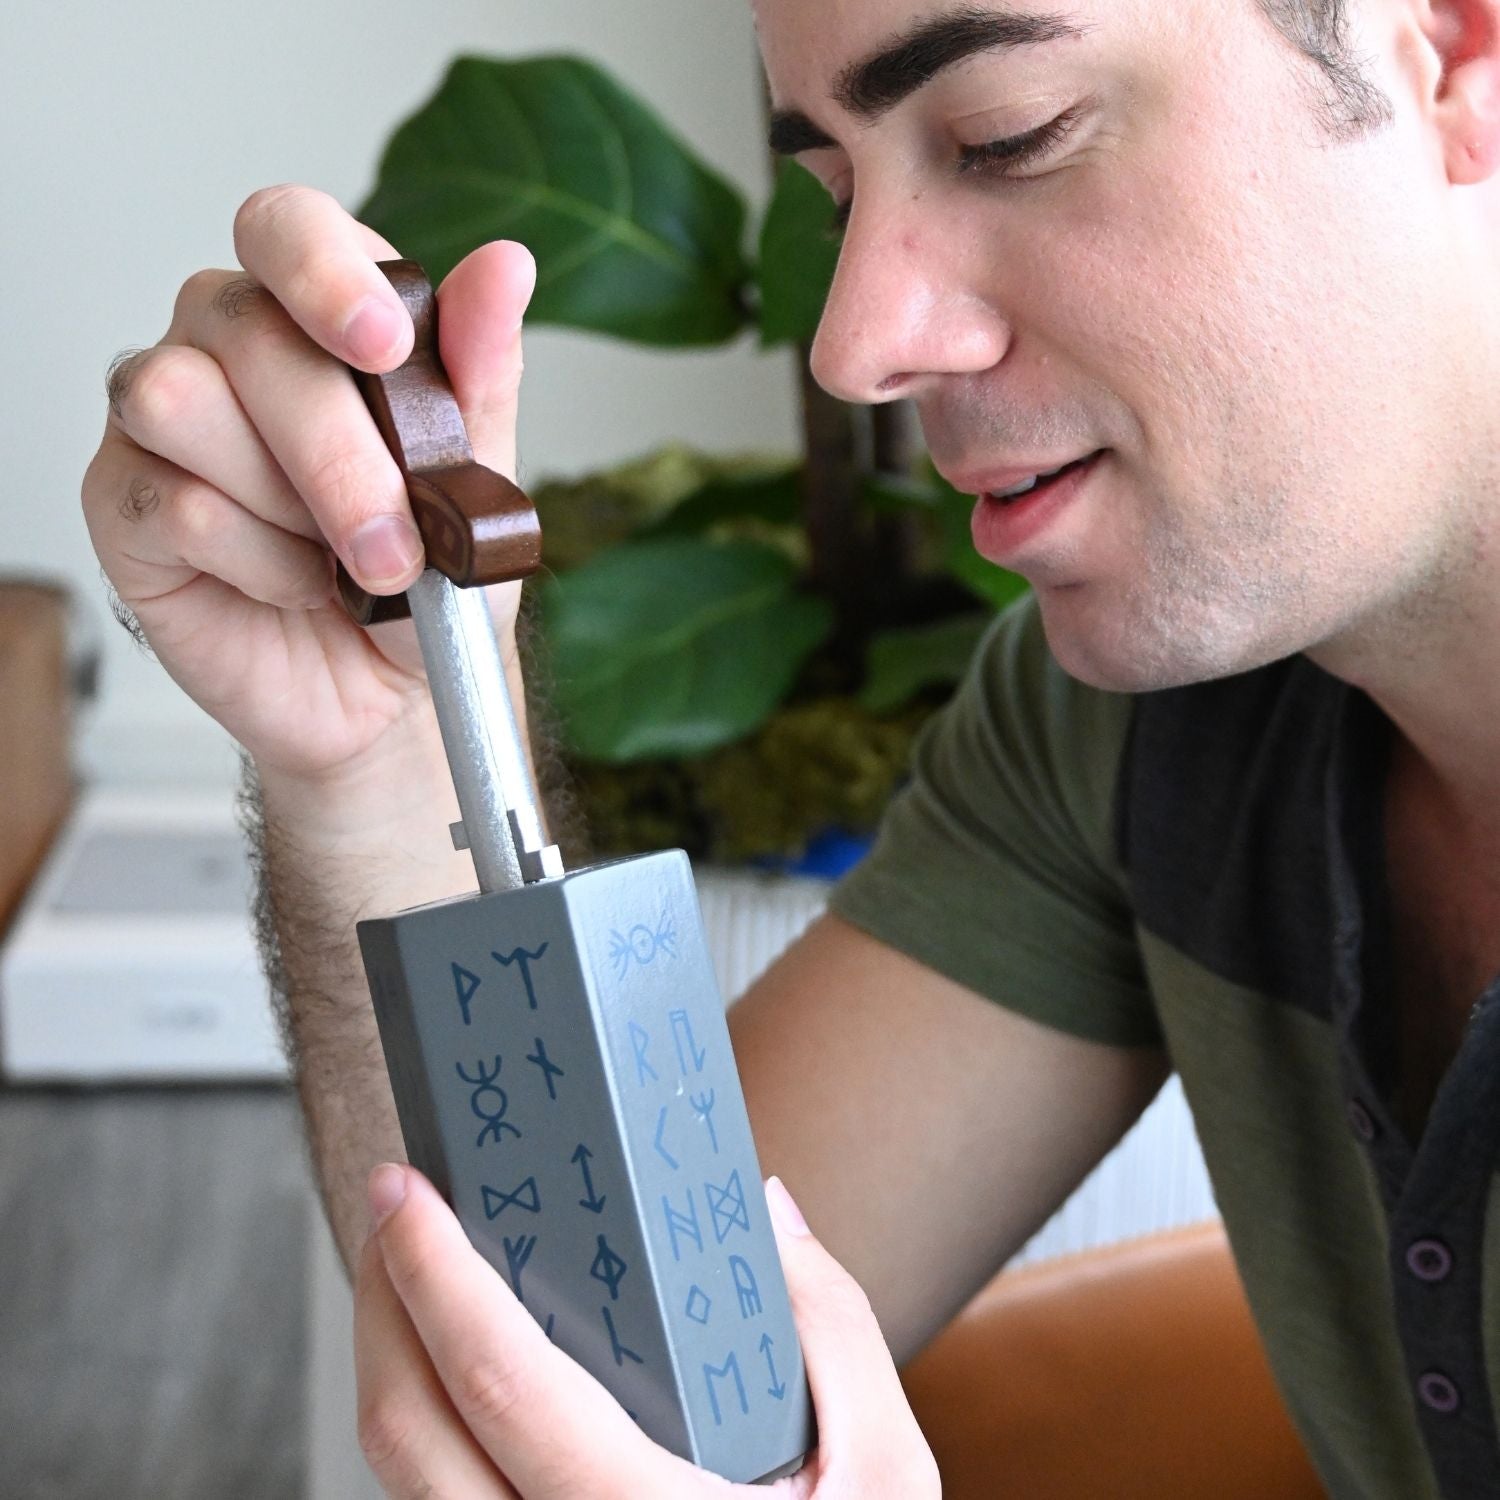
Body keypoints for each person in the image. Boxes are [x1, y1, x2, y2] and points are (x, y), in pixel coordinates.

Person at [82, 0, 1500, 1493]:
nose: (853, 344)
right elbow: (602, 1382)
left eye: (1010, 138)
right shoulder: (1129, 727)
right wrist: (388, 763)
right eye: (833, 193)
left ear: (1453, 52)